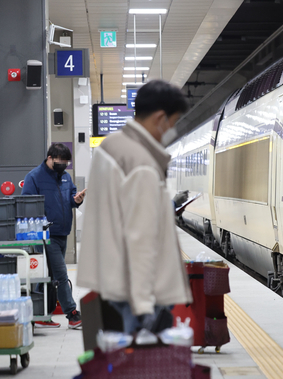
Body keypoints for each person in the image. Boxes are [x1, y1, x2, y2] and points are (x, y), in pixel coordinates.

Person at [77, 80, 193, 333]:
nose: (170, 131)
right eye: (171, 124)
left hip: (112, 281)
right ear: (160, 117)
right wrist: (144, 306)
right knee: (141, 364)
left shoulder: (110, 146)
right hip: (138, 293)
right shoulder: (141, 163)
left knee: (118, 361)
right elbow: (141, 238)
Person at [22, 143, 85, 329]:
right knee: (61, 274)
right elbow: (27, 204)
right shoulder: (34, 177)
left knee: (49, 276)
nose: (63, 165)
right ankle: (72, 314)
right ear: (49, 158)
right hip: (45, 235)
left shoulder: (65, 177)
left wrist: (76, 200)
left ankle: (41, 313)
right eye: (60, 162)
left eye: (66, 162)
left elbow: (71, 196)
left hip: (63, 232)